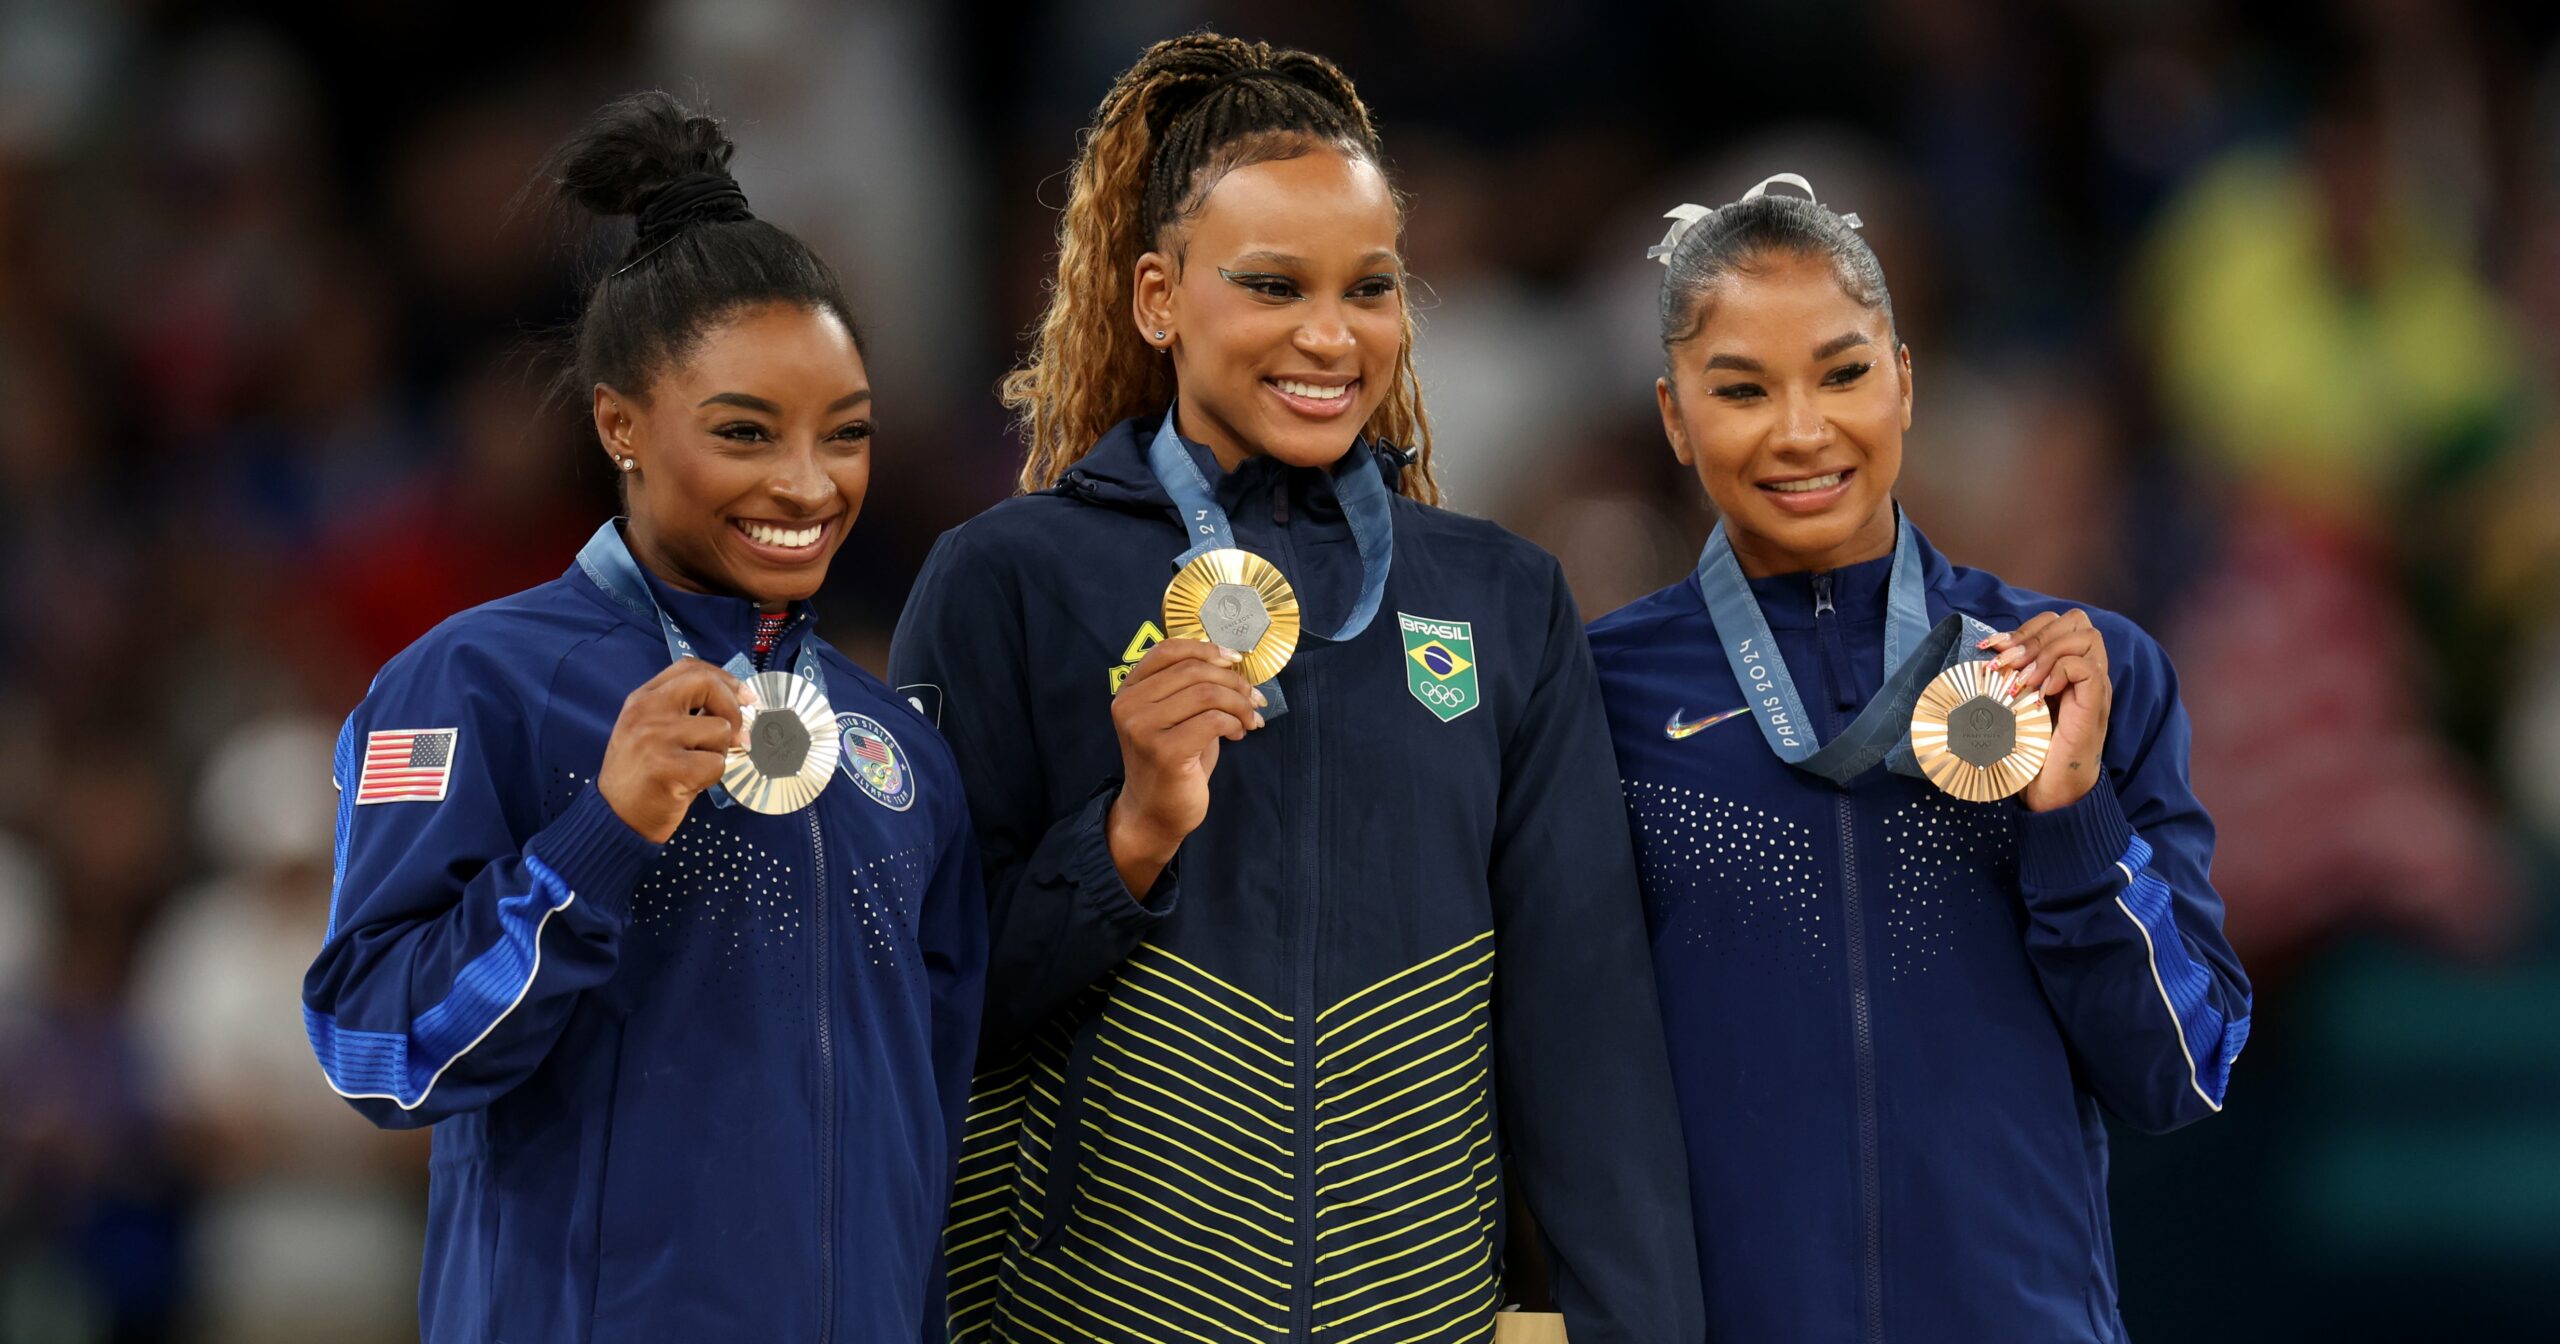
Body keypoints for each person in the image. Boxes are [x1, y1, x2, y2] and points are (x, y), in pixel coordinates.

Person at [890, 32, 1700, 1344]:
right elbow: (920, 1011)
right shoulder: (1006, 581)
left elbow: (1585, 1026)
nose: (1331, 337)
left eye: (1370, 289)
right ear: (1159, 298)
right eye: (1273, 286)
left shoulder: (1500, 600)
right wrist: (1123, 839)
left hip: (1420, 1316)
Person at [299, 92, 984, 1343]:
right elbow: (373, 1047)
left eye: (848, 433)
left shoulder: (898, 752)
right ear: (620, 423)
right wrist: (599, 836)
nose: (806, 482)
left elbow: (931, 1129)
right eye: (744, 431)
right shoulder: (475, 684)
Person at [1588, 175, 2253, 1342]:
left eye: (1842, 373)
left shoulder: (2083, 678)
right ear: (1674, 417)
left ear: (1904, 380)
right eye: (1739, 390)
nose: (1801, 430)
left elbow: (2181, 1072)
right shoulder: (1600, 695)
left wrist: (2074, 815)